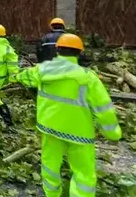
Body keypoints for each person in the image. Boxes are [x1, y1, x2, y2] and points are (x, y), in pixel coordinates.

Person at [14, 34, 121, 197]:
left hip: (49, 128)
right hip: (79, 134)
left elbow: (24, 77)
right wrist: (112, 133)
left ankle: (51, 194)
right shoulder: (88, 78)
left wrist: (13, 75)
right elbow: (104, 109)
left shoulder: (42, 70)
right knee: (83, 172)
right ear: (79, 53)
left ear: (57, 50)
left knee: (50, 165)